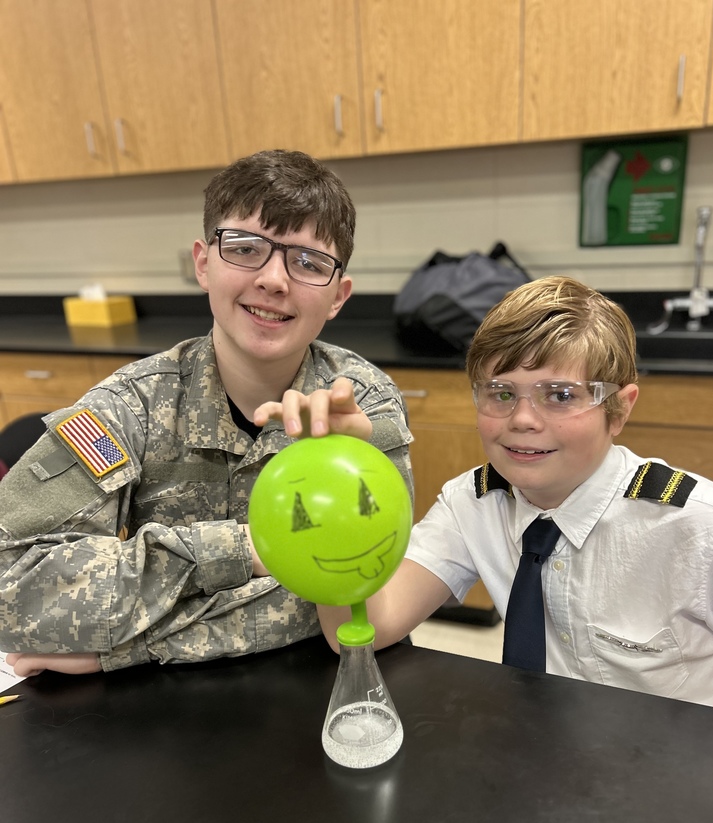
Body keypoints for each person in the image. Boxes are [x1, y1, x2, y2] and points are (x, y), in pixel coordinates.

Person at [256, 276, 713, 716]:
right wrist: (336, 478)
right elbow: (372, 623)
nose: (522, 419)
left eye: (560, 395)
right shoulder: (472, 503)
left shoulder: (707, 529)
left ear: (620, 407)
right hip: (550, 762)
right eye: (500, 393)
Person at [0, 149, 413, 677]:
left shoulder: (362, 402)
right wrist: (253, 548)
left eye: (309, 262)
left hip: (322, 690)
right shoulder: (131, 406)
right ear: (203, 263)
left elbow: (365, 598)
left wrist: (126, 646)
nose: (274, 279)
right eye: (245, 249)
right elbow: (13, 587)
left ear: (338, 296)